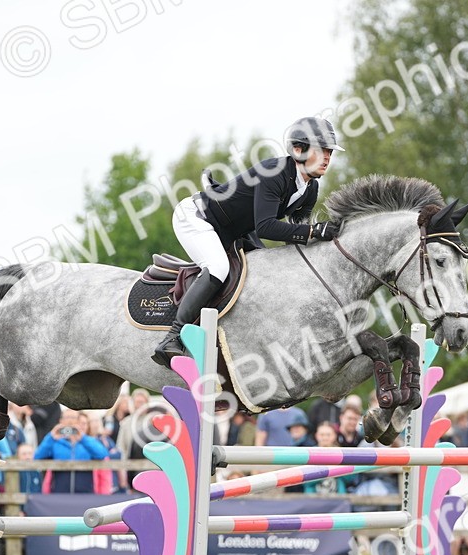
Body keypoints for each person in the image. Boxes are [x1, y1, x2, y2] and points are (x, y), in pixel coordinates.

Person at [152, 117, 345, 366]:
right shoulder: (275, 172)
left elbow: (296, 234)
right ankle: (172, 337)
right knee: (219, 268)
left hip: (233, 230)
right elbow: (266, 227)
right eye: (321, 150)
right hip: (198, 218)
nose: (328, 157)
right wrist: (314, 231)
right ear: (298, 150)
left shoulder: (310, 188)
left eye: (330, 151)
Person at [34, 408, 109, 494]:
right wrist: (51, 437)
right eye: (67, 417)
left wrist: (82, 438)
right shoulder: (55, 442)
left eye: (73, 418)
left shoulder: (87, 441)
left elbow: (102, 454)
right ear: (61, 421)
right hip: (60, 493)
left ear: (78, 421)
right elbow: (37, 456)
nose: (70, 421)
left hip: (85, 493)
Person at [305, 423, 352, 495]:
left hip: (338, 496)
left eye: (328, 435)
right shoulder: (309, 453)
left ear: (334, 436)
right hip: (313, 498)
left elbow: (350, 478)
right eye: (322, 435)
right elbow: (305, 480)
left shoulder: (341, 453)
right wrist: (329, 469)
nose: (325, 438)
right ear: (316, 436)